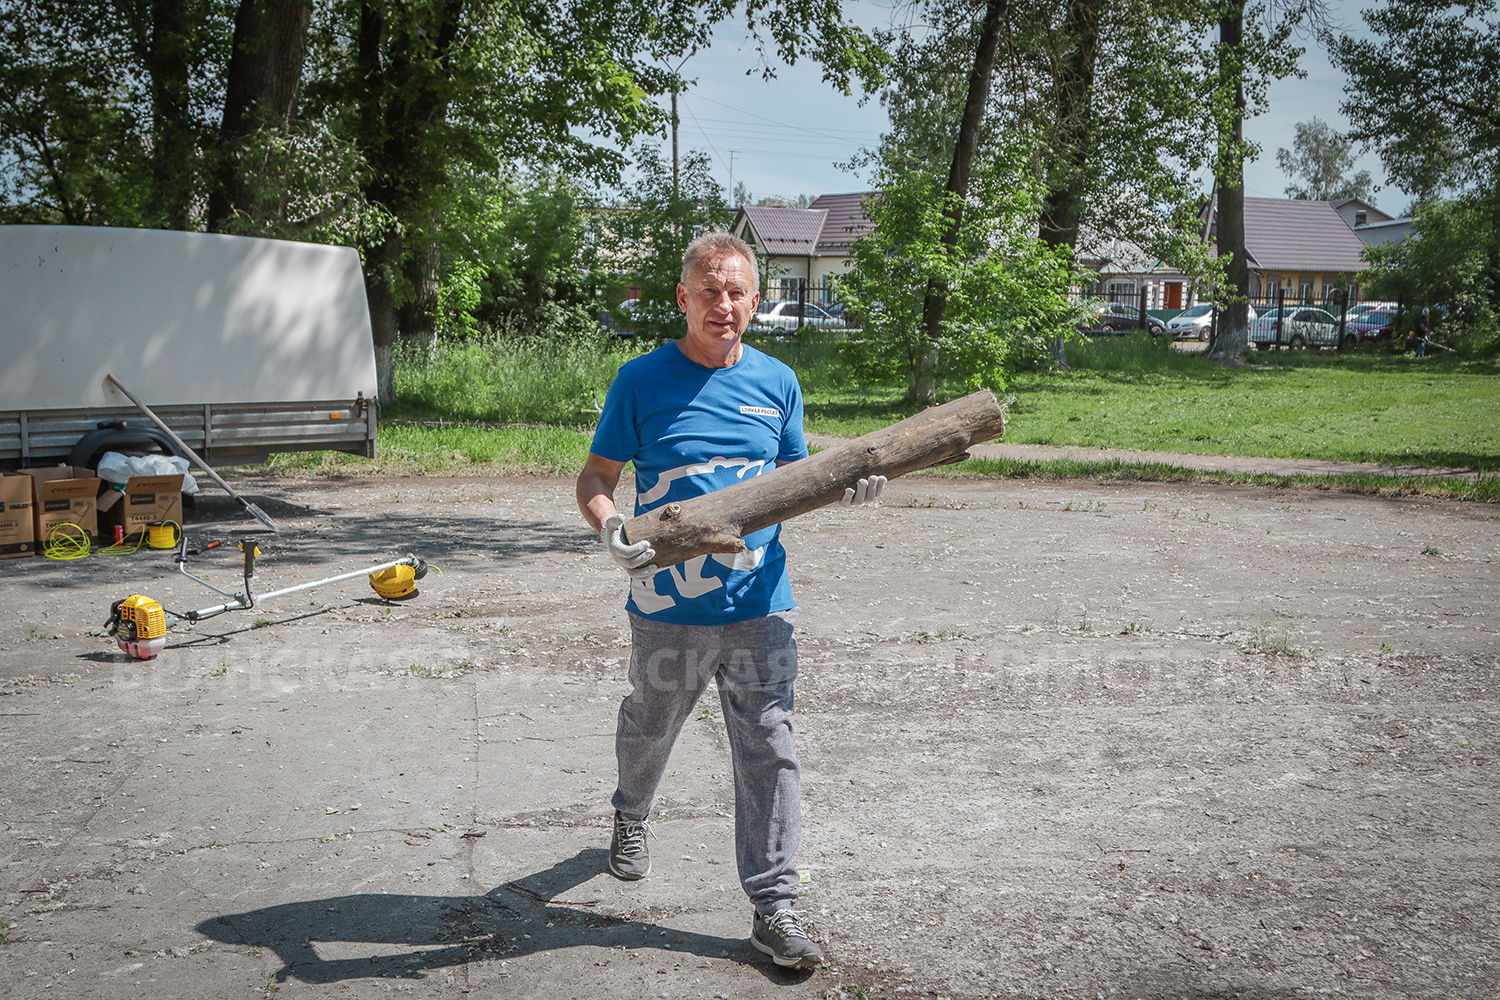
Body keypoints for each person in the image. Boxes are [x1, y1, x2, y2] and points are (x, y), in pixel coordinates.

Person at [575, 232, 884, 970]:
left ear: (754, 299)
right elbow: (595, 477)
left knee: (770, 748)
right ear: (683, 298)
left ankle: (775, 908)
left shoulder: (778, 383)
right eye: (709, 291)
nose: (725, 304)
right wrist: (610, 529)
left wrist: (851, 486)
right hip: (666, 611)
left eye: (738, 291)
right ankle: (631, 815)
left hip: (761, 606)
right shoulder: (641, 381)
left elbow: (795, 481)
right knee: (649, 726)